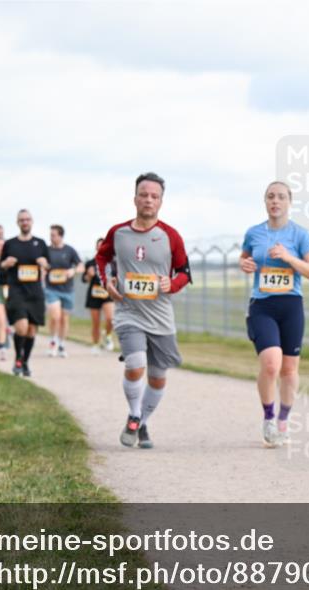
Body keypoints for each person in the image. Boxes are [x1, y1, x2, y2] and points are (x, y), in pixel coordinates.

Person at [96, 172, 191, 449]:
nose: (148, 200)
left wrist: (170, 284)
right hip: (128, 312)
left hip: (160, 315)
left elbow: (184, 272)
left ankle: (142, 422)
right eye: (144, 194)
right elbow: (101, 258)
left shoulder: (170, 236)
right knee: (135, 364)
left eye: (154, 196)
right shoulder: (118, 232)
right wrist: (108, 282)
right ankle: (135, 415)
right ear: (134, 198)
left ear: (161, 201)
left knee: (158, 376)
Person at [239, 181, 309, 447]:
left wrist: (288, 257)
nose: (275, 201)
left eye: (281, 197)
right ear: (265, 201)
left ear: (289, 202)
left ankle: (283, 422)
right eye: (271, 196)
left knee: (288, 369)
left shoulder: (299, 235)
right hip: (262, 305)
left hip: (291, 305)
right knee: (271, 363)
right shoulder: (254, 233)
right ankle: (268, 418)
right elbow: (245, 258)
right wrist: (245, 264)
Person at [1, 209, 50, 377]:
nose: (25, 222)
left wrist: (44, 263)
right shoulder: (10, 244)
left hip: (35, 292)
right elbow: (1, 266)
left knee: (31, 330)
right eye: (22, 220)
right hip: (16, 291)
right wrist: (6, 263)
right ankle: (18, 359)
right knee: (21, 327)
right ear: (17, 222)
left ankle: (26, 361)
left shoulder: (40, 243)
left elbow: (49, 266)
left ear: (32, 221)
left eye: (27, 219)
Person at [44, 224, 84, 358]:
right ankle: (53, 342)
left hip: (67, 289)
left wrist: (73, 271)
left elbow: (81, 266)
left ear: (60, 236)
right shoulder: (46, 250)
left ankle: (61, 344)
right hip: (51, 289)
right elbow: (41, 263)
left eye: (53, 235)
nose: (51, 237)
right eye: (50, 235)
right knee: (55, 317)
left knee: (64, 319)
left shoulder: (70, 250)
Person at [83, 237, 115, 354]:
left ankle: (107, 335)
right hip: (94, 295)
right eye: (99, 245)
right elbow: (84, 279)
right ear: (96, 247)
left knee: (110, 319)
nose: (101, 247)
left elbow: (117, 278)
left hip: (107, 294)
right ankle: (95, 344)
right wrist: (89, 275)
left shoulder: (112, 263)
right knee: (95, 322)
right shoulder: (90, 263)